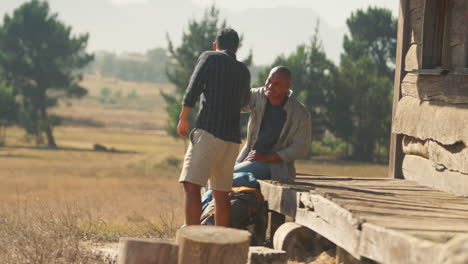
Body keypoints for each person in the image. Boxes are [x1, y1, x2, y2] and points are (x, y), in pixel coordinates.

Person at [201, 66, 311, 212]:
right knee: (218, 178)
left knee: (222, 180)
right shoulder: (258, 96)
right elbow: (235, 103)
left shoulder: (300, 113)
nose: (270, 86)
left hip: (275, 167)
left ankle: (199, 218)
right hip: (249, 159)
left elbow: (301, 148)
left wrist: (268, 158)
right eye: (269, 81)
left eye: (277, 84)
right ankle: (211, 217)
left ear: (287, 87)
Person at [177, 28, 251, 227]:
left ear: (215, 45)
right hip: (232, 140)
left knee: (192, 186)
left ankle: (191, 241)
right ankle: (220, 245)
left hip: (209, 132)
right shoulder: (244, 71)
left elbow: (193, 88)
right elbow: (245, 102)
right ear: (236, 48)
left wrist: (183, 117)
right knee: (221, 195)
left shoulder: (209, 57)